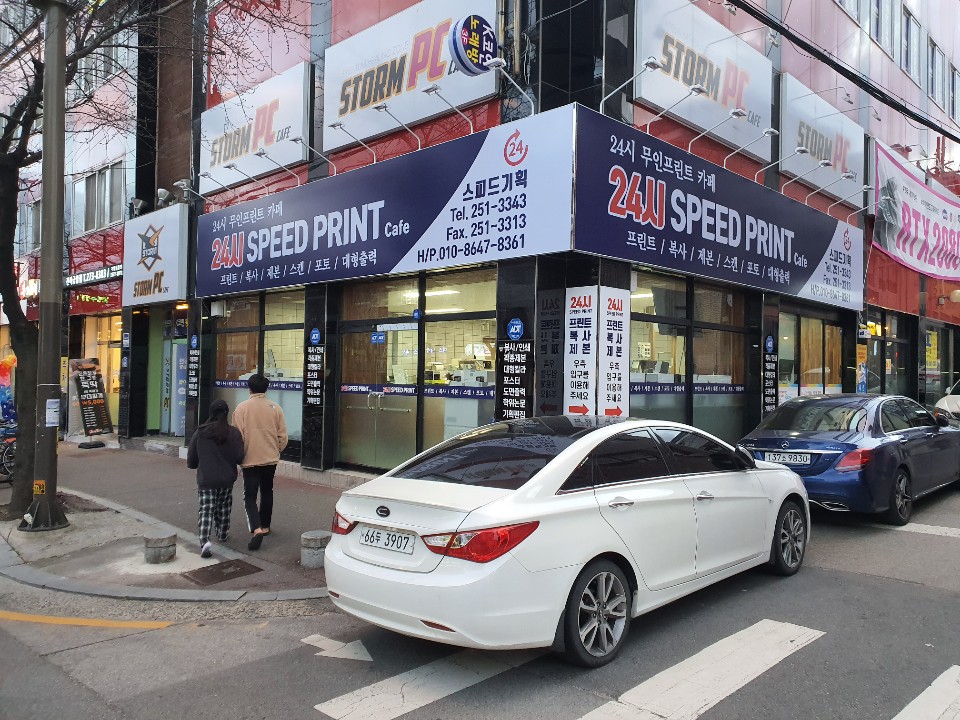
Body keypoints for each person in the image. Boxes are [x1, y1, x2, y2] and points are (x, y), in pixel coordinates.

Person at [233, 373, 288, 551]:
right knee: (267, 490)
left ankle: (256, 528)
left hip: (250, 458)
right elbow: (283, 436)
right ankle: (265, 526)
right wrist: (276, 450)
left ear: (249, 388)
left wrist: (240, 455)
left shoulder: (241, 408)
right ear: (266, 389)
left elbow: (237, 436)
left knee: (250, 494)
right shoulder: (275, 408)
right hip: (270, 458)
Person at [186, 399, 244, 558]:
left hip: (206, 478)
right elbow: (240, 456)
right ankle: (222, 533)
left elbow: (191, 457)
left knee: (206, 508)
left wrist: (194, 465)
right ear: (226, 413)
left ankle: (204, 541)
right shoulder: (233, 432)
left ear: (211, 413)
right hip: (226, 478)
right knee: (224, 506)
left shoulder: (200, 432)